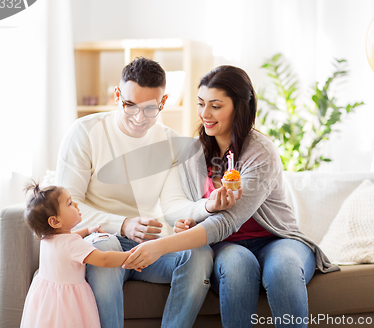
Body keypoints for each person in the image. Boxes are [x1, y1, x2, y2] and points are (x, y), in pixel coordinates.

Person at [124, 65, 340, 328]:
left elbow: (227, 221)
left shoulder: (260, 151)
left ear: (239, 107)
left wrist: (158, 246)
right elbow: (183, 208)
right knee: (238, 267)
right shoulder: (192, 153)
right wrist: (193, 218)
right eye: (201, 104)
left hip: (276, 240)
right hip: (225, 246)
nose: (205, 114)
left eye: (215, 106)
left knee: (283, 269)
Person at [55, 57, 240, 328]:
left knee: (199, 254)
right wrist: (123, 224)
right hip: (101, 239)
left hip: (147, 246)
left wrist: (208, 207)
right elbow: (68, 208)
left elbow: (174, 204)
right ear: (117, 95)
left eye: (150, 109)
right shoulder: (85, 132)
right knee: (106, 243)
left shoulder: (170, 143)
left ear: (163, 103)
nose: (139, 118)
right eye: (130, 105)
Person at [20, 183, 133, 328]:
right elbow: (104, 260)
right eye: (70, 203)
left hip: (47, 299)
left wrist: (87, 230)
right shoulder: (72, 245)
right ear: (55, 221)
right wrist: (129, 256)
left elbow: (67, 239)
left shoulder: (47, 238)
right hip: (68, 303)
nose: (76, 204)